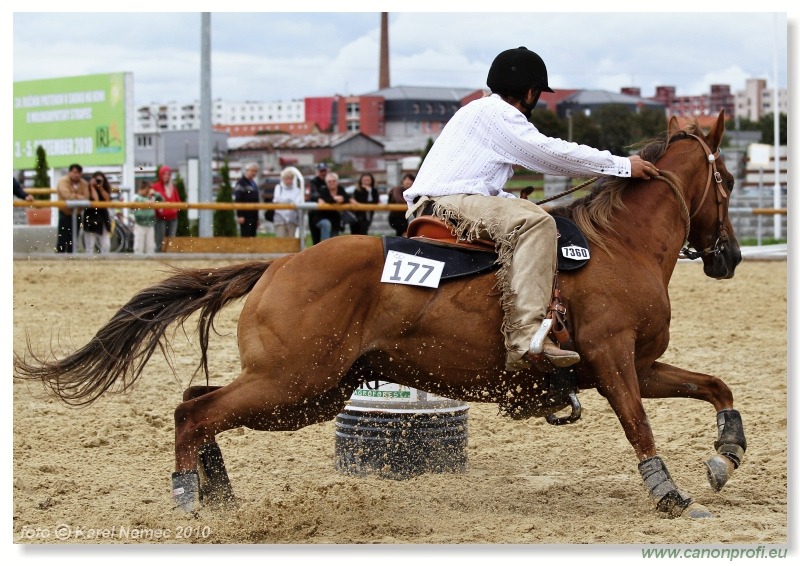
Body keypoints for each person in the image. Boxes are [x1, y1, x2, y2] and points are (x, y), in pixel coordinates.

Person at [403, 46, 659, 373]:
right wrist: (621, 165)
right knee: (537, 225)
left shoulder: (478, 111)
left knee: (527, 213)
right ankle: (525, 338)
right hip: (448, 203)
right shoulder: (500, 114)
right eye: (537, 93)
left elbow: (482, 181)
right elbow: (547, 153)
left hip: (443, 201)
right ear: (530, 92)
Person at [55, 163, 90, 253]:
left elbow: (86, 197)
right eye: (74, 172)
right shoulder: (62, 181)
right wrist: (79, 197)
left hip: (77, 214)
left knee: (74, 238)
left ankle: (72, 258)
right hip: (65, 213)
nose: (76, 175)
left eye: (78, 173)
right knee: (62, 238)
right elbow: (66, 195)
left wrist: (74, 196)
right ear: (69, 172)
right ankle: (60, 259)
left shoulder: (84, 183)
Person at [310, 171, 349, 242]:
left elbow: (346, 198)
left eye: (334, 181)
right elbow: (325, 199)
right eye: (329, 181)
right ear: (326, 183)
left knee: (334, 241)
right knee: (326, 224)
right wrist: (336, 199)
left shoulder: (340, 189)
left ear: (337, 182)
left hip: (336, 220)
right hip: (322, 217)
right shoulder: (323, 190)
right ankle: (324, 248)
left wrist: (340, 199)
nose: (332, 183)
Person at [152, 165, 181, 252]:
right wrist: (159, 209)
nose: (166, 176)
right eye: (164, 174)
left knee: (171, 241)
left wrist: (175, 209)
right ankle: (158, 260)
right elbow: (152, 200)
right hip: (160, 219)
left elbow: (178, 201)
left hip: (173, 218)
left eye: (168, 174)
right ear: (160, 175)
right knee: (159, 241)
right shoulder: (155, 187)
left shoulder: (173, 188)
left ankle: (170, 260)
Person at [82, 171, 113, 254]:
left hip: (103, 216)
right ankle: (89, 261)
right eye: (97, 180)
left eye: (100, 180)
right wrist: (92, 186)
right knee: (90, 244)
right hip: (91, 215)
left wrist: (100, 187)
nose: (98, 182)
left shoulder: (105, 187)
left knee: (106, 244)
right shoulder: (88, 188)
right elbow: (95, 199)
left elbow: (107, 199)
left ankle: (105, 261)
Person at [132, 180, 163, 254]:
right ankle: (137, 263)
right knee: (139, 246)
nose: (147, 191)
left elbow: (162, 200)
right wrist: (147, 201)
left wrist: (154, 193)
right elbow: (138, 200)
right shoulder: (136, 197)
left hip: (150, 225)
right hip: (139, 225)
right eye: (145, 189)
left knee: (150, 247)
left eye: (148, 189)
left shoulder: (152, 198)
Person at [272, 168, 304, 238]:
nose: (289, 181)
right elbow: (276, 200)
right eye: (287, 179)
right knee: (281, 239)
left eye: (290, 179)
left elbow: (298, 202)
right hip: (280, 218)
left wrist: (285, 201)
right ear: (283, 179)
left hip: (292, 218)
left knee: (291, 239)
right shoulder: (278, 188)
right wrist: (289, 202)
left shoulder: (297, 190)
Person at [233, 163, 261, 237]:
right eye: (252, 171)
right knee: (246, 236)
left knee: (252, 236)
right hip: (245, 215)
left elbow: (256, 201)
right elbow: (238, 199)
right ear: (247, 171)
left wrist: (257, 218)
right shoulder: (241, 183)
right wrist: (240, 215)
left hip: (253, 215)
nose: (254, 173)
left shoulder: (253, 184)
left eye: (255, 171)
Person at [307, 163, 329, 244]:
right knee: (315, 240)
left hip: (329, 214)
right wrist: (319, 199)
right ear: (318, 172)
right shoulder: (314, 181)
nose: (323, 173)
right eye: (321, 171)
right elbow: (314, 193)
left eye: (325, 171)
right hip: (316, 215)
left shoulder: (330, 181)